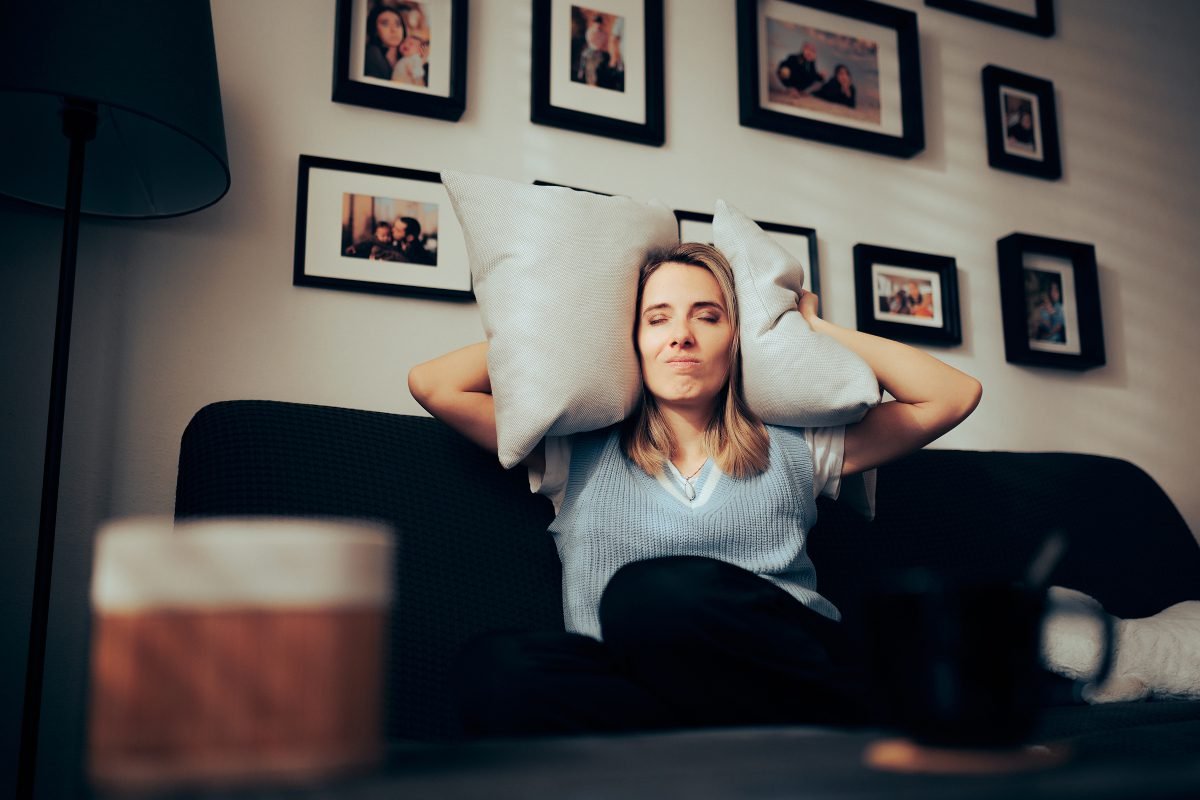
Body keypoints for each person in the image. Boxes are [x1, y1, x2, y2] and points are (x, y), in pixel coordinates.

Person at [408, 242, 981, 737]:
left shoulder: (796, 445)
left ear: (737, 338)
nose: (680, 336)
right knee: (496, 667)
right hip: (639, 687)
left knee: (653, 595)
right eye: (656, 319)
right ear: (628, 339)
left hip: (780, 667)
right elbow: (434, 385)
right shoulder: (572, 449)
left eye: (707, 316)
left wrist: (809, 328)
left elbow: (951, 395)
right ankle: (712, 751)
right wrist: (581, 327)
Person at [364, 5, 406, 81]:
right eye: (385, 24)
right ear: (375, 30)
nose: (394, 30)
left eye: (398, 24)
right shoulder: (372, 54)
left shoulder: (410, 57)